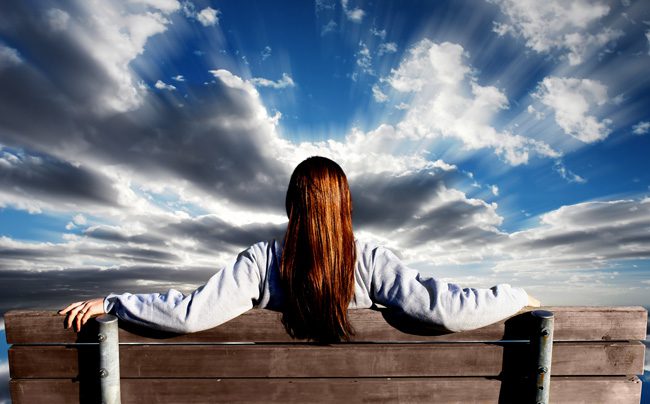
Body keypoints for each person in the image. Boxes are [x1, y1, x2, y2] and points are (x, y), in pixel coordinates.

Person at [60, 156, 540, 342]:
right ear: (345, 206)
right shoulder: (369, 260)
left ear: (292, 204)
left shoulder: (262, 262)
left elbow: (189, 314)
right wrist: (516, 296)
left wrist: (114, 303)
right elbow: (448, 310)